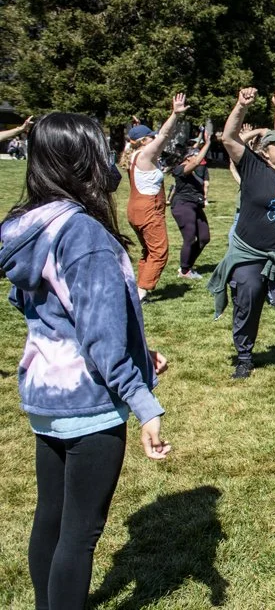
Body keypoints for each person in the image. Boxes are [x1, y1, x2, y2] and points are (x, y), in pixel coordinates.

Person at [1, 113, 171, 610]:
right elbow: (100, 339)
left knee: (51, 519)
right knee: (79, 534)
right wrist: (144, 403)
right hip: (89, 400)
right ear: (84, 160)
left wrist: (137, 350)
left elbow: (40, 306)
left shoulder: (31, 225)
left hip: (46, 395)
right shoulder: (84, 234)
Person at [208, 89, 275, 393]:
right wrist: (241, 106)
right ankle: (244, 357)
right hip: (250, 254)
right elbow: (229, 138)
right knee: (248, 302)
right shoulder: (252, 168)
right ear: (265, 152)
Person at [122, 94, 187, 299]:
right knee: (159, 252)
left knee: (148, 251)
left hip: (135, 208)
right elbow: (164, 135)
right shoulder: (145, 155)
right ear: (144, 141)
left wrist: (137, 125)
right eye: (150, 137)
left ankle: (139, 288)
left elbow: (141, 138)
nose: (154, 138)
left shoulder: (133, 154)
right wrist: (175, 114)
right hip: (148, 209)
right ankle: (141, 293)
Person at [169, 130, 212, 280]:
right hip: (183, 205)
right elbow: (195, 162)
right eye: (195, 154)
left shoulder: (193, 171)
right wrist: (207, 144)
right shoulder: (180, 169)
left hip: (195, 205)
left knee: (204, 238)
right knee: (190, 238)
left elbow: (196, 163)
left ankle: (187, 266)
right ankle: (185, 270)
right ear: (188, 157)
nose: (199, 157)